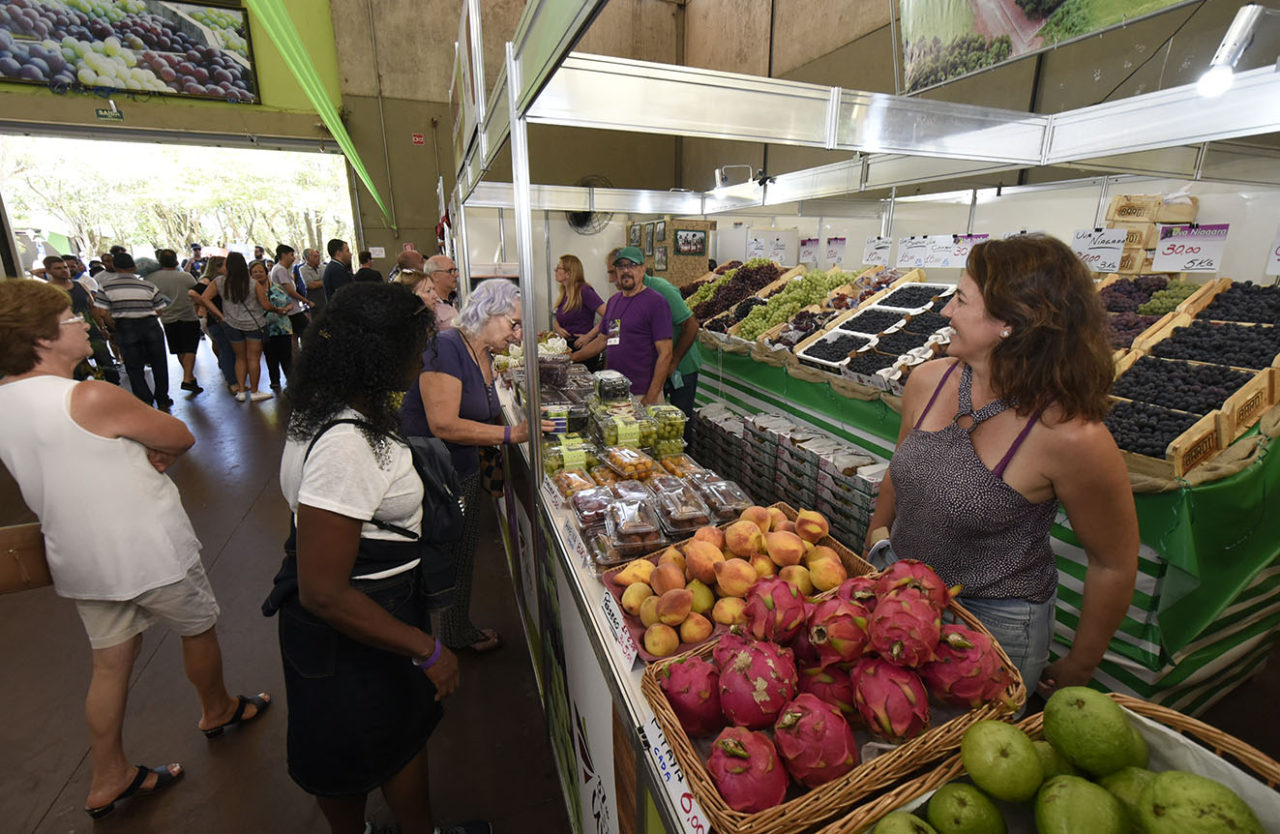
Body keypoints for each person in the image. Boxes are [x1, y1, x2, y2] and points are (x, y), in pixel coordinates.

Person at [0, 280, 269, 820]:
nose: (82, 323)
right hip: (147, 546)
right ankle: (216, 709)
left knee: (109, 664)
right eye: (70, 319)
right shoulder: (90, 395)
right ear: (42, 339)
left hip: (78, 557)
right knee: (197, 627)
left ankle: (109, 774)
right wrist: (152, 447)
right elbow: (178, 436)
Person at [864, 235, 1138, 697]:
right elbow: (901, 465)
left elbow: (1113, 563)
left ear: (1011, 323)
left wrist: (1082, 664)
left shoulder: (1071, 436)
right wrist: (877, 535)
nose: (946, 311)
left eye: (961, 299)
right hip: (902, 597)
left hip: (992, 631)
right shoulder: (929, 380)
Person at [275, 281, 490, 834]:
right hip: (359, 618)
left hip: (365, 610)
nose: (422, 358)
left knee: (376, 736)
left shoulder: (324, 409)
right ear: (379, 353)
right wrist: (426, 648)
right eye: (414, 347)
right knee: (377, 741)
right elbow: (323, 589)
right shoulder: (348, 442)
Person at [400, 279, 550, 654]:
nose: (517, 334)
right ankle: (441, 641)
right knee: (446, 559)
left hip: (461, 471)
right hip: (438, 477)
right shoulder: (446, 347)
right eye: (513, 324)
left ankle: (454, 629)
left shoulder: (480, 353)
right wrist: (511, 434)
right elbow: (443, 424)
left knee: (461, 556)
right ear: (489, 313)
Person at [573, 248, 673, 405]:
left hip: (642, 394)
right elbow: (604, 341)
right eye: (620, 266)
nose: (626, 271)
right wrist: (571, 358)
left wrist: (651, 397)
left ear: (642, 270)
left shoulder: (656, 303)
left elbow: (665, 354)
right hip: (614, 393)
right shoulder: (614, 302)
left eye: (632, 265)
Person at [93, 252, 173, 409]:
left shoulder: (106, 287)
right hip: (150, 326)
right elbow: (159, 311)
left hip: (125, 327)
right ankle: (162, 398)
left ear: (115, 267)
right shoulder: (148, 285)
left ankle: (145, 399)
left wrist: (114, 325)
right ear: (134, 267)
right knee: (159, 363)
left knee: (134, 366)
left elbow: (102, 312)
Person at [201, 252, 273, 402]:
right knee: (253, 359)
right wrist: (279, 309)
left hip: (231, 324)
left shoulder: (220, 282)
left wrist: (220, 315)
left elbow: (204, 298)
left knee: (240, 358)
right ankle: (254, 391)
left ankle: (240, 391)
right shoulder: (253, 283)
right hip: (253, 324)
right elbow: (265, 304)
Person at [640, 252, 702, 418]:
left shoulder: (661, 289)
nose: (613, 279)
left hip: (682, 367)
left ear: (640, 268)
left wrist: (674, 362)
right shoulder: (632, 295)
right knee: (659, 419)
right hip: (659, 366)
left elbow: (691, 325)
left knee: (680, 422)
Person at [42, 255, 119, 384]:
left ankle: (113, 388)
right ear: (49, 271)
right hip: (66, 334)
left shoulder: (80, 286)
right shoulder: (46, 291)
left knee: (107, 364)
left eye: (65, 267)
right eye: (58, 268)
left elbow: (93, 307)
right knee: (77, 371)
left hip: (90, 330)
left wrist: (102, 327)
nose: (64, 270)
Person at [150, 249, 204, 394]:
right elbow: (196, 293)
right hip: (188, 316)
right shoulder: (185, 276)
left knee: (180, 349)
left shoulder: (151, 278)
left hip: (167, 318)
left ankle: (190, 378)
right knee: (190, 348)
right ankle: (187, 379)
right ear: (176, 260)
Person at [190, 257, 239, 393]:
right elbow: (192, 293)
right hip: (217, 321)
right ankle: (232, 382)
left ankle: (233, 379)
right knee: (227, 349)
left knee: (228, 349)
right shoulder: (208, 281)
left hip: (224, 319)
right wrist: (207, 305)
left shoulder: (221, 281)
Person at [255, 259, 294, 391]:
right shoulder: (251, 292)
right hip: (265, 329)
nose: (258, 274)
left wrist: (286, 309)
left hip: (283, 327)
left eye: (260, 271)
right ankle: (275, 381)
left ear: (266, 273)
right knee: (270, 357)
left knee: (287, 356)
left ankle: (292, 381)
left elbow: (290, 302)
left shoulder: (277, 287)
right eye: (254, 272)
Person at [551, 254, 605, 349]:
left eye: (558, 268)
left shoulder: (584, 291)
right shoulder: (565, 293)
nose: (555, 270)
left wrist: (589, 337)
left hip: (581, 346)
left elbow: (609, 314)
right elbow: (558, 318)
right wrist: (558, 328)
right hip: (568, 345)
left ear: (569, 273)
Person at [271, 244, 310, 342]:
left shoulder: (281, 269)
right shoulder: (280, 270)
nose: (293, 258)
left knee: (294, 337)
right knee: (306, 333)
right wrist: (306, 301)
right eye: (291, 255)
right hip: (291, 310)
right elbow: (289, 290)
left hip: (292, 308)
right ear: (284, 255)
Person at [425, 255, 459, 329]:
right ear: (435, 276)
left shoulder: (453, 299)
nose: (456, 275)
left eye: (455, 270)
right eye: (450, 271)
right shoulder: (431, 307)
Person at [297, 247, 327, 314]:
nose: (318, 258)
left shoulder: (324, 267)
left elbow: (328, 280)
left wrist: (318, 282)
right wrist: (324, 281)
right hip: (314, 299)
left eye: (318, 256)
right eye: (315, 256)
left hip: (325, 297)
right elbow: (311, 285)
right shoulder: (303, 269)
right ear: (308, 258)